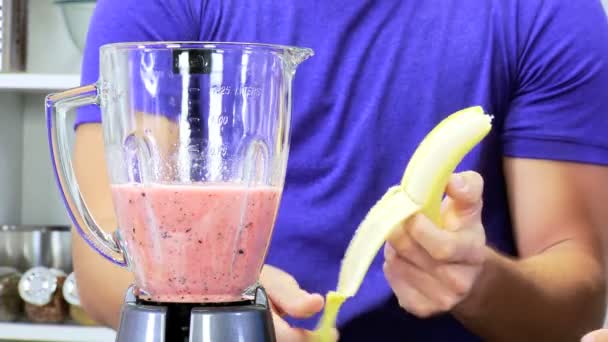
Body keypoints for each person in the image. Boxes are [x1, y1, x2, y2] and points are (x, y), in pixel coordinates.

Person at [70, 0, 608, 341]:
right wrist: (224, 312)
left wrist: (479, 282)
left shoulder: (546, 11)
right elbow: (104, 268)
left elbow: (578, 297)